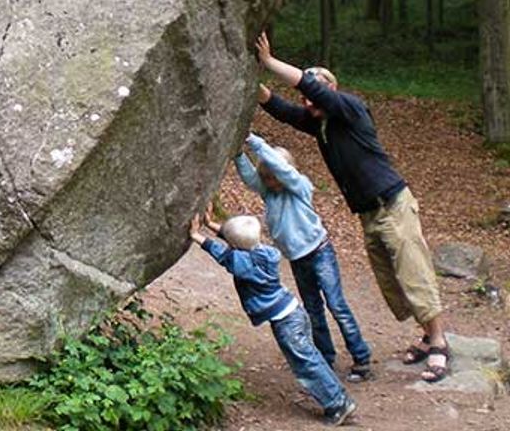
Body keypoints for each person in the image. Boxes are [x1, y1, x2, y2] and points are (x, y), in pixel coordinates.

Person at [254, 31, 448, 383]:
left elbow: (309, 88)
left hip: (392, 205)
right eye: (309, 94)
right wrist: (249, 80)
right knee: (394, 282)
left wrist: (269, 63)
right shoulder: (322, 125)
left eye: (316, 90)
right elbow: (280, 109)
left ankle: (438, 342)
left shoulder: (351, 109)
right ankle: (425, 334)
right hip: (369, 214)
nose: (310, 99)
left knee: (414, 274)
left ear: (332, 90)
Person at [189, 213, 357, 426]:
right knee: (310, 357)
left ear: (234, 245)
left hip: (286, 322)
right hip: (295, 312)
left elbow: (223, 254)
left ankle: (336, 403)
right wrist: (211, 224)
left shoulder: (246, 265)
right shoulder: (265, 252)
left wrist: (196, 235)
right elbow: (237, 243)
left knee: (305, 363)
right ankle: (338, 395)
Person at [234, 132, 373, 382]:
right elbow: (249, 178)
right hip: (298, 260)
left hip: (320, 253)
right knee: (313, 309)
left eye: (273, 178)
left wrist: (256, 143)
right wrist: (236, 153)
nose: (270, 183)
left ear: (285, 173)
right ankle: (325, 357)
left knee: (336, 305)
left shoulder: (300, 187)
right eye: (267, 179)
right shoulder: (270, 193)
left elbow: (281, 170)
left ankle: (361, 357)